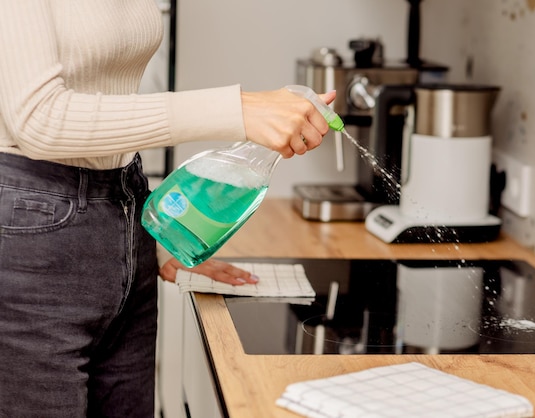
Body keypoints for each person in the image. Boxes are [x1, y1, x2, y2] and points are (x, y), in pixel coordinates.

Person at [0, 2, 335, 417]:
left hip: (123, 210)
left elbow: (104, 90)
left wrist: (143, 235)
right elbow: (38, 120)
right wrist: (238, 109)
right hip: (32, 241)